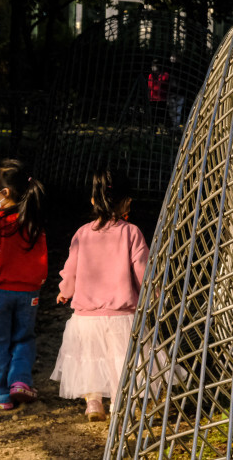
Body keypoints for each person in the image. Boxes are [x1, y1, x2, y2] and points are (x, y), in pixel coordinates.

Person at [51, 168, 149, 422]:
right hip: (122, 315)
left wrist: (65, 291)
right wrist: (154, 296)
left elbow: (71, 270)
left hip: (87, 317)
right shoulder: (132, 232)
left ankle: (93, 403)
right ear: (127, 202)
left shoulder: (82, 234)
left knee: (89, 360)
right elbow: (143, 271)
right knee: (121, 362)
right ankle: (118, 403)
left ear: (93, 200)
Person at [0, 159, 48, 411]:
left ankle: (1, 395)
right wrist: (37, 284)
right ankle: (20, 381)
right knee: (24, 338)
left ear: (4, 193)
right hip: (29, 294)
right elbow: (42, 259)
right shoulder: (33, 221)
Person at [146, 59, 170, 127]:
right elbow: (150, 86)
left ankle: (165, 128)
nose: (152, 67)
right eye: (152, 66)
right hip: (153, 99)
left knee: (163, 116)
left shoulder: (165, 75)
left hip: (162, 99)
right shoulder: (151, 75)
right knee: (153, 116)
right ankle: (154, 128)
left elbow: (163, 84)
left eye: (154, 66)